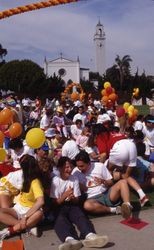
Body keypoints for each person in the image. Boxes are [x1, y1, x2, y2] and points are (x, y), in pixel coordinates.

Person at [50, 156, 109, 250]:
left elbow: (77, 200)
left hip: (72, 205)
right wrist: (65, 195)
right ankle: (70, 240)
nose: (69, 169)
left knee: (80, 216)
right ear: (60, 168)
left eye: (70, 167)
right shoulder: (55, 181)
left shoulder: (74, 179)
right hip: (59, 206)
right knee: (60, 220)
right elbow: (54, 203)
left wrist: (73, 198)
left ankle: (90, 235)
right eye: (66, 167)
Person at [73, 151, 132, 219]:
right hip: (92, 198)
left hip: (107, 194)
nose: (80, 168)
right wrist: (79, 187)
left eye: (82, 166)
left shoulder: (99, 166)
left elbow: (111, 182)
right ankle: (114, 210)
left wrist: (103, 181)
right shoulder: (75, 172)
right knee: (87, 206)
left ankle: (127, 206)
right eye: (78, 166)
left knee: (123, 182)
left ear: (89, 163)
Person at [0, 154, 44, 242]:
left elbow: (40, 201)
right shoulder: (25, 177)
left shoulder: (35, 181)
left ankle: (10, 231)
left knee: (39, 214)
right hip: (19, 208)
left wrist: (25, 216)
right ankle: (26, 227)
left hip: (30, 211)